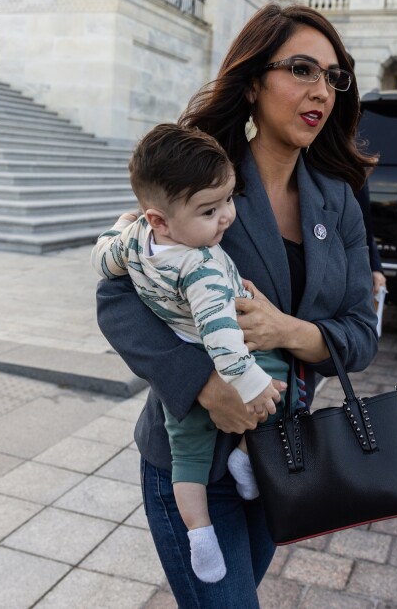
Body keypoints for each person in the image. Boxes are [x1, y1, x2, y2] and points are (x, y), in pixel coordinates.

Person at [96, 3, 378, 607]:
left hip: (277, 457)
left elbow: (360, 336)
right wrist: (205, 385)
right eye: (302, 69)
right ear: (253, 81)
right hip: (190, 459)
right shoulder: (200, 175)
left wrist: (287, 331)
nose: (320, 90)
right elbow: (117, 296)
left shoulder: (340, 201)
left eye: (333, 76)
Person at [91, 124, 288, 584]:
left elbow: (102, 260)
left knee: (188, 458)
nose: (225, 218)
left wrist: (118, 227)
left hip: (183, 374)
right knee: (282, 381)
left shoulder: (137, 239)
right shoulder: (201, 267)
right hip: (220, 362)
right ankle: (245, 454)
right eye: (209, 210)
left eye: (228, 202)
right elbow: (224, 339)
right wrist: (252, 385)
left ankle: (200, 535)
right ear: (161, 218)